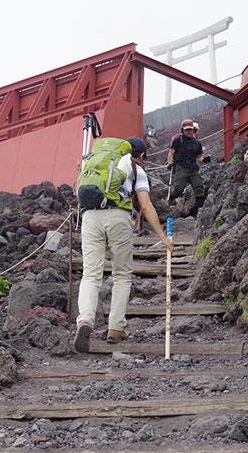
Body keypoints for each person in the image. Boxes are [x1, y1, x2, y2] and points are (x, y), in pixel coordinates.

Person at [74, 137, 173, 352]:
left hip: (90, 216)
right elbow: (146, 206)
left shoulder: (98, 163)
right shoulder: (136, 170)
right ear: (142, 155)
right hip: (118, 217)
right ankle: (116, 328)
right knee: (121, 274)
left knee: (91, 274)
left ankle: (85, 321)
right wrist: (163, 237)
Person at [167, 119, 206, 215]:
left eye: (190, 129)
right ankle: (171, 198)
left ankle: (200, 208)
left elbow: (198, 156)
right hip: (181, 167)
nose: (189, 131)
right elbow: (171, 152)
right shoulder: (178, 140)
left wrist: (204, 160)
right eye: (186, 130)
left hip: (193, 167)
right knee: (178, 188)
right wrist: (170, 163)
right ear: (182, 130)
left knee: (199, 186)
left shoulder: (197, 142)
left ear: (193, 129)